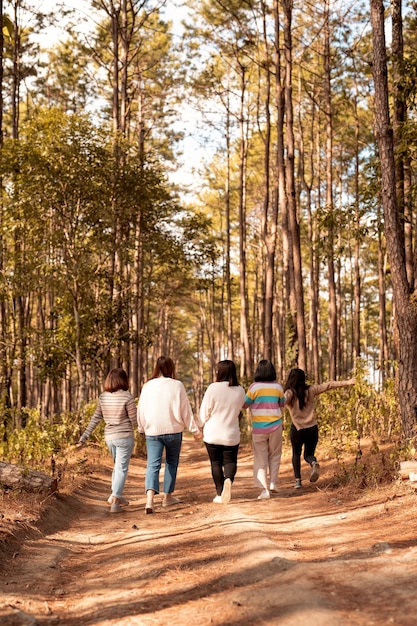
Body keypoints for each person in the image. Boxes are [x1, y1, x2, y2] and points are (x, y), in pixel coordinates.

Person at [137, 355, 201, 514]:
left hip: (152, 431)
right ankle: (167, 498)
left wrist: (141, 428)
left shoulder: (147, 386)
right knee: (171, 463)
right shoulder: (177, 385)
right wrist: (195, 430)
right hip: (174, 431)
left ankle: (149, 501)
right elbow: (186, 410)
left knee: (153, 464)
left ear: (156, 368)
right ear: (171, 368)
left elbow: (141, 409)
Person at [77, 368, 138, 513]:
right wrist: (143, 431)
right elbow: (134, 420)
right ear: (123, 380)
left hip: (110, 437)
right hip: (124, 437)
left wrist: (84, 436)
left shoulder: (103, 397)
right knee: (121, 468)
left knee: (117, 467)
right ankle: (115, 501)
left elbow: (95, 418)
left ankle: (116, 495)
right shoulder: (127, 397)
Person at [284, 368, 356, 489]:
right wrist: (347, 382)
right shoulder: (311, 390)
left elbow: (279, 402)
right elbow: (329, 385)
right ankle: (313, 463)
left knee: (296, 454)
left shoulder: (290, 393)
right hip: (312, 428)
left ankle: (298, 481)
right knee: (308, 454)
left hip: (297, 429)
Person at [198, 360, 246, 504]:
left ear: (219, 372)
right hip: (231, 434)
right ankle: (228, 480)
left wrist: (199, 426)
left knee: (215, 463)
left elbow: (204, 410)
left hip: (212, 433)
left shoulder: (213, 388)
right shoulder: (240, 390)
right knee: (230, 461)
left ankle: (219, 494)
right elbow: (240, 409)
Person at [244, 360, 286, 499]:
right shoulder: (278, 387)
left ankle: (264, 490)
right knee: (275, 455)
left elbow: (245, 404)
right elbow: (282, 404)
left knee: (260, 458)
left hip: (259, 428)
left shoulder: (254, 387)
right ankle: (273, 482)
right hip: (276, 426)